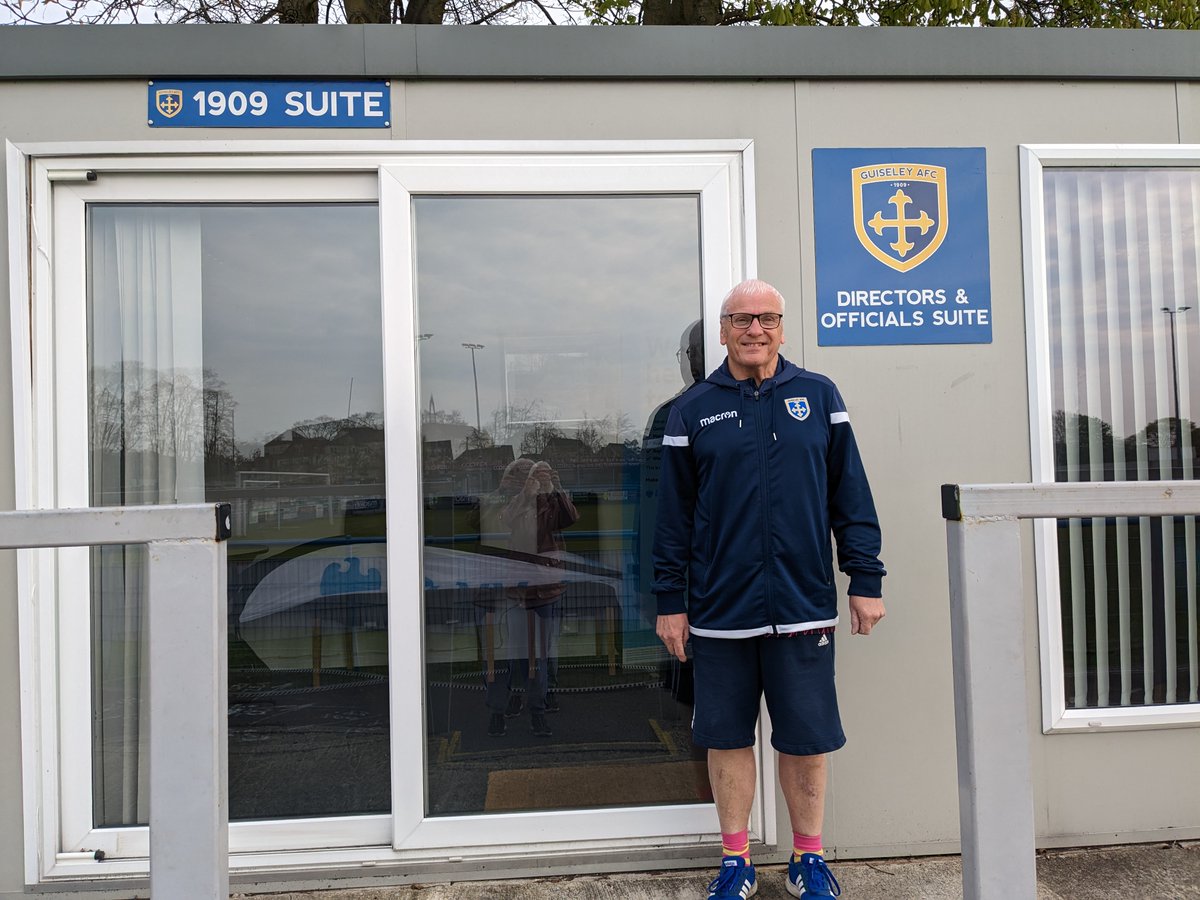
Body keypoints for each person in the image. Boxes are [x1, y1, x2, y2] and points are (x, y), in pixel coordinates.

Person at [652, 279, 885, 900]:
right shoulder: (692, 410)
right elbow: (671, 518)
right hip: (720, 610)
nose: (754, 330)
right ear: (723, 331)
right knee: (726, 736)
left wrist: (865, 577)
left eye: (767, 319)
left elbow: (850, 496)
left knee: (806, 739)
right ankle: (735, 862)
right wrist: (670, 601)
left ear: (782, 327)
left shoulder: (818, 395)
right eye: (741, 320)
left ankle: (807, 859)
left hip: (803, 605)